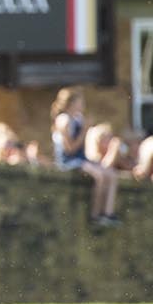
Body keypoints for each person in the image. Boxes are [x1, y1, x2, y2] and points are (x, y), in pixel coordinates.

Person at [50, 87, 121, 227]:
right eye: (80, 102)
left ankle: (108, 213)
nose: (83, 105)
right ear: (71, 103)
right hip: (68, 160)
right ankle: (95, 215)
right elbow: (70, 149)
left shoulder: (78, 118)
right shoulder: (63, 120)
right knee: (100, 176)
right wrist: (84, 131)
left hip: (80, 158)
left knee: (111, 174)